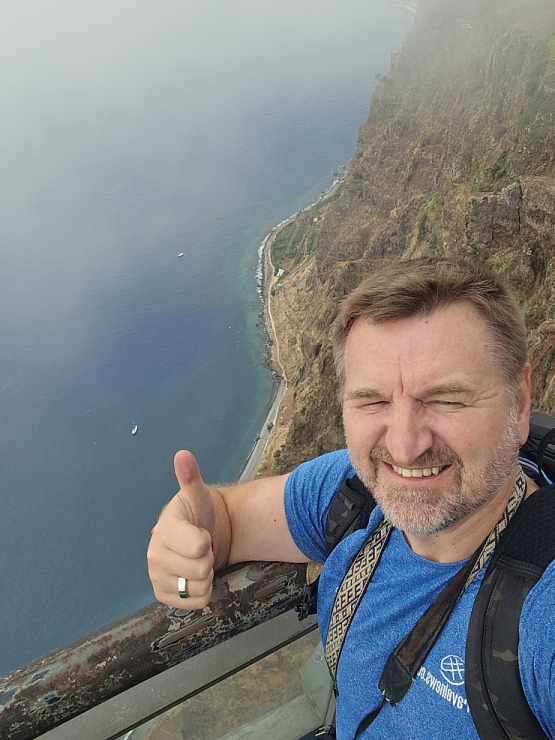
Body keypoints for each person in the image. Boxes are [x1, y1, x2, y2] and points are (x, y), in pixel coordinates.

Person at [147, 258, 555, 738]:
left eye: (446, 399)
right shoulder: (354, 492)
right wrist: (183, 541)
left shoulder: (539, 612)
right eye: (373, 401)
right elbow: (230, 521)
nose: (404, 445)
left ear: (521, 400)